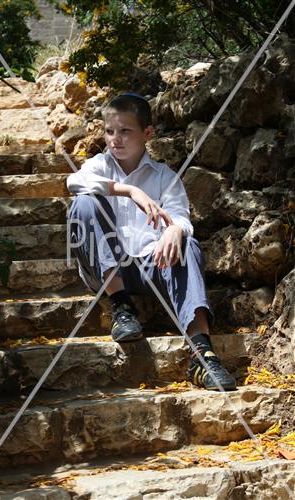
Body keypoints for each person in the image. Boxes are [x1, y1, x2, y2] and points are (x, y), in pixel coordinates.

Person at [66, 93, 236, 391]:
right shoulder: (98, 166)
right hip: (105, 269)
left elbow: (181, 216)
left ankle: (202, 354)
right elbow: (73, 182)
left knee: (188, 244)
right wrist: (130, 191)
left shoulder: (164, 176)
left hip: (151, 265)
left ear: (147, 133)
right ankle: (121, 308)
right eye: (109, 131)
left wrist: (177, 230)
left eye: (125, 131)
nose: (115, 139)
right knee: (82, 205)